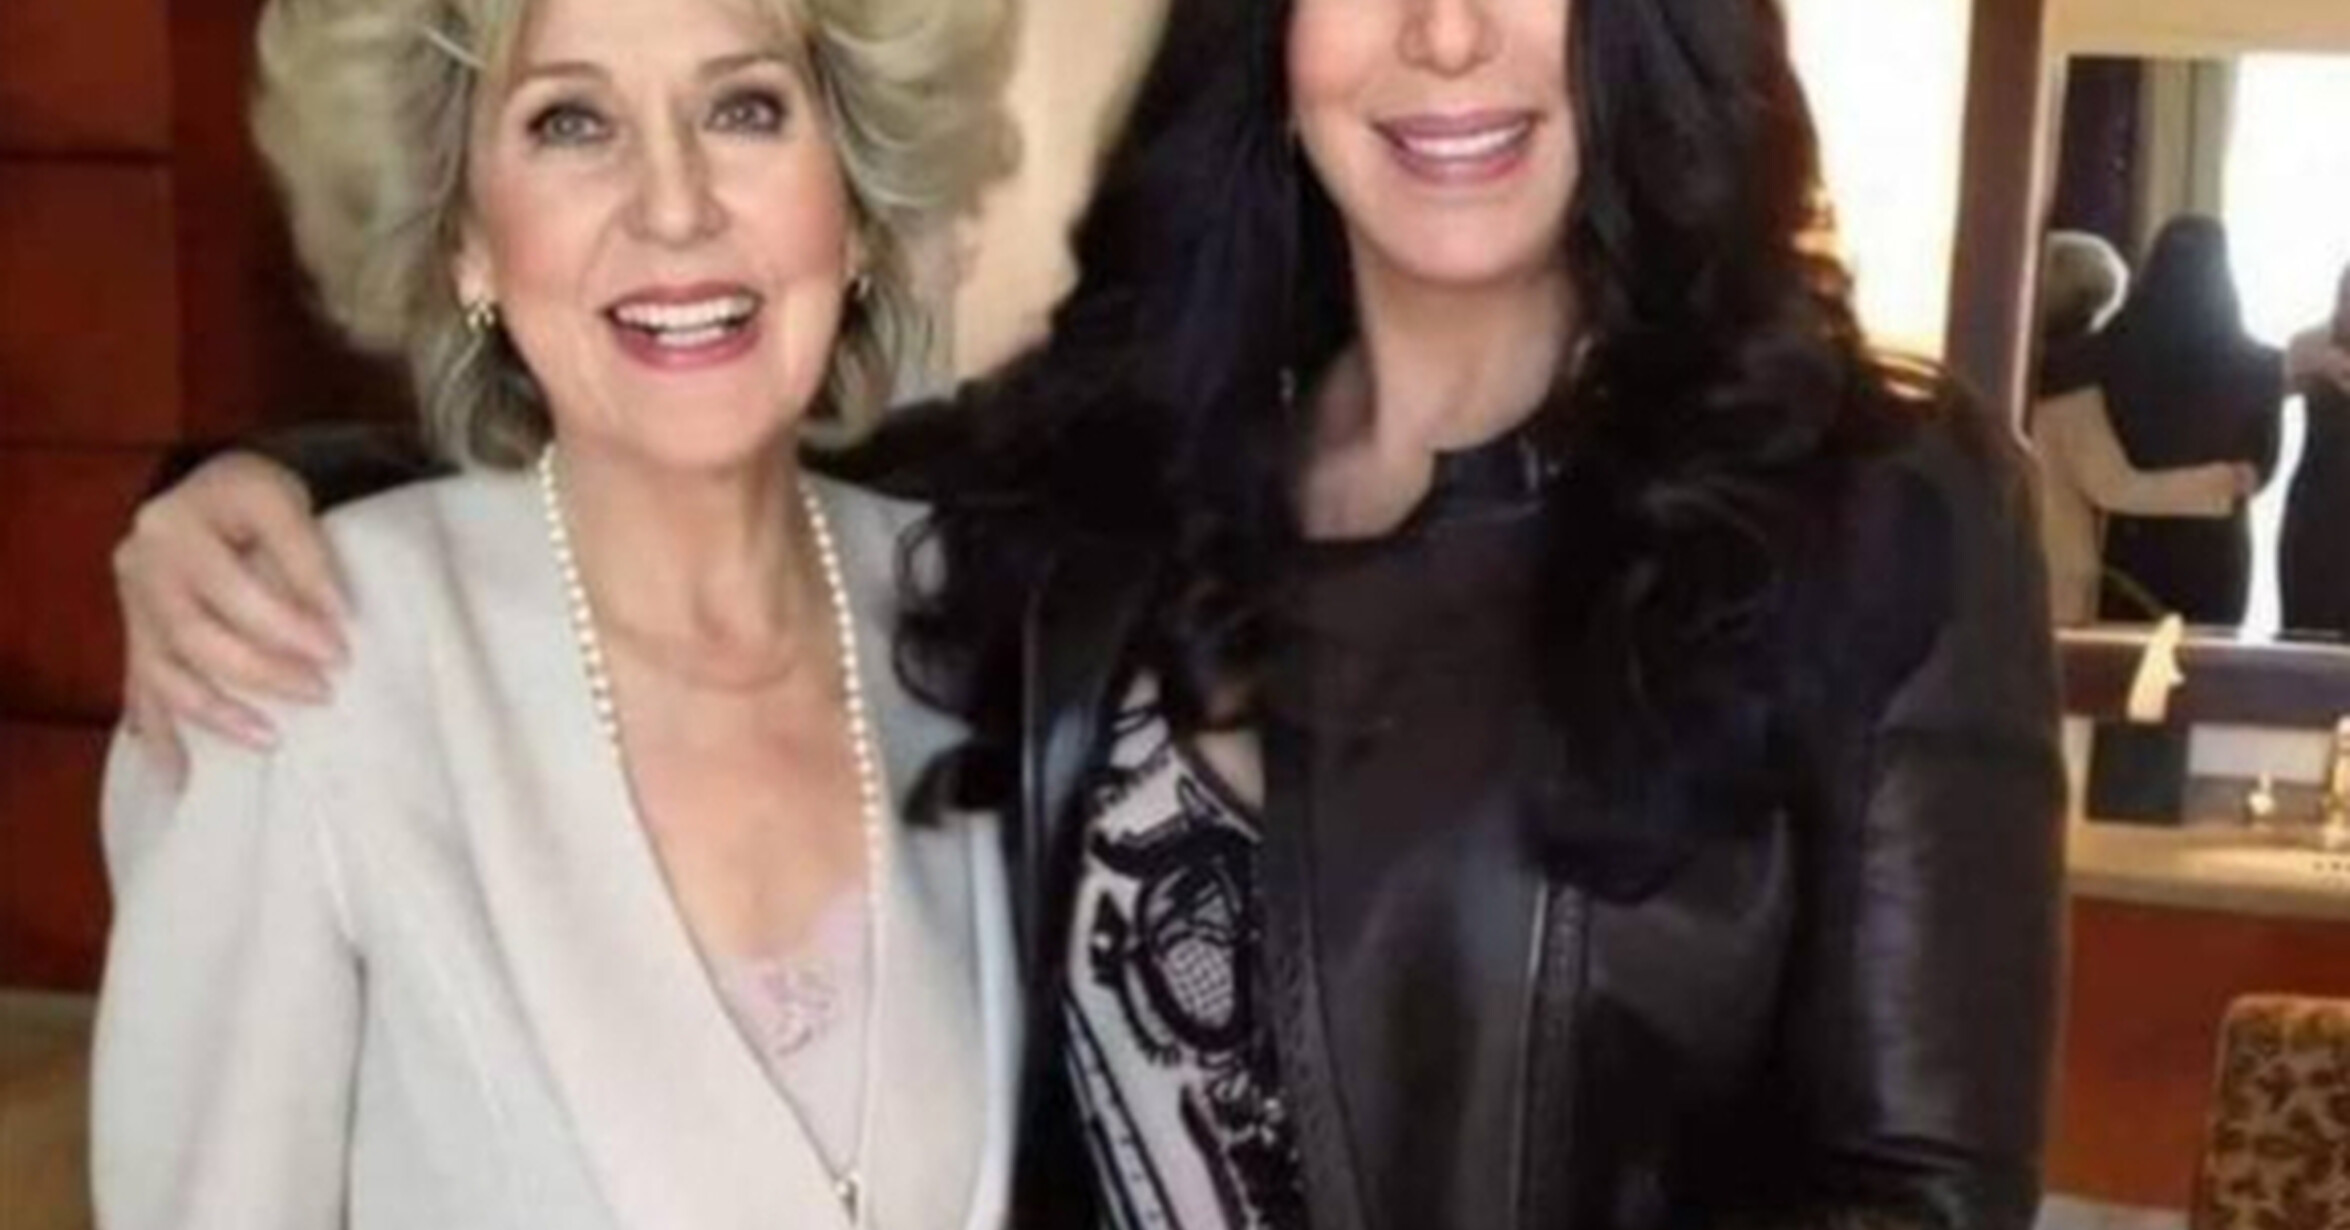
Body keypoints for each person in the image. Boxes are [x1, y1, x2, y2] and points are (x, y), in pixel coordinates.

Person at [113, 0, 2066, 1227]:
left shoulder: (1870, 513)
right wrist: (258, 488)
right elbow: (677, 461)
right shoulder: (1094, 493)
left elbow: (1913, 1193)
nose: (1445, 34)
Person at [90, 0, 1019, 1227]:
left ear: (854, 198)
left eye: (745, 109)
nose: (674, 206)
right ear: (467, 238)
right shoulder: (290, 671)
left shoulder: (989, 617)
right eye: (571, 123)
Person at [2028, 231, 2255, 626]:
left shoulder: (2008, 371)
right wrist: (2221, 481)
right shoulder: (2070, 391)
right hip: (2057, 571)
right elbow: (2116, 486)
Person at [2072, 216, 2285, 624]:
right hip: (2214, 550)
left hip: (2131, 543)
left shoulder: (2104, 354)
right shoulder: (2262, 366)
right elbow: (2260, 468)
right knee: (2205, 660)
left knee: (2121, 659)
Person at [2281, 263, 2350, 638]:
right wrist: (2317, 366)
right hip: (2317, 500)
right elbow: (2265, 394)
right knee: (2308, 622)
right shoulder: (2311, 343)